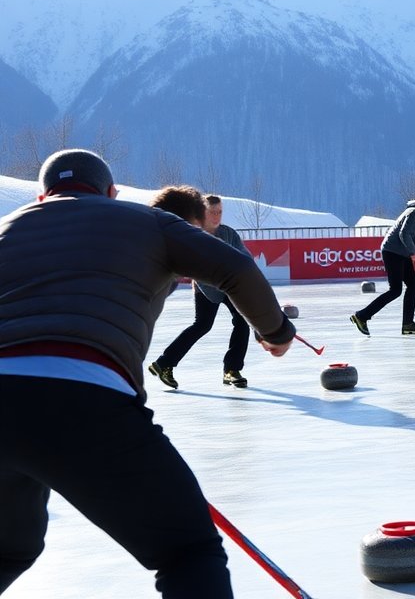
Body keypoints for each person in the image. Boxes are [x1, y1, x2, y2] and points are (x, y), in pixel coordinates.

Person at [0, 149, 295, 597]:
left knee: (9, 549)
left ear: (42, 194)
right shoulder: (146, 222)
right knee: (187, 552)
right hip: (85, 399)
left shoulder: (6, 229)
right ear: (112, 192)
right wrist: (275, 331)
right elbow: (234, 267)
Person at [148, 196, 256, 389]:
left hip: (228, 286)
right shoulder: (194, 235)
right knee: (202, 325)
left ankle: (232, 370)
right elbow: (194, 270)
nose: (216, 216)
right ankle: (164, 363)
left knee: (241, 322)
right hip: (206, 287)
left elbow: (245, 260)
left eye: (219, 212)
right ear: (203, 213)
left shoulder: (229, 234)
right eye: (212, 212)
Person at [350, 191, 415, 336]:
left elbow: (410, 236)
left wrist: (413, 252)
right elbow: (404, 233)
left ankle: (408, 324)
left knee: (413, 285)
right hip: (393, 251)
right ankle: (362, 316)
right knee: (395, 290)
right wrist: (413, 253)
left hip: (401, 252)